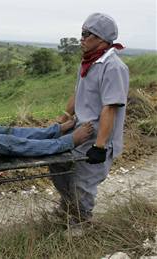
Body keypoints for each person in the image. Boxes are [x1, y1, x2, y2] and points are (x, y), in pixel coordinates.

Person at [50, 13, 129, 230]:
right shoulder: (88, 62)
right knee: (57, 165)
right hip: (79, 131)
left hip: (98, 137)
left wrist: (100, 146)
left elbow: (110, 107)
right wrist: (63, 119)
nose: (82, 38)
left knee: (83, 182)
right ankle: (68, 208)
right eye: (81, 33)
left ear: (102, 38)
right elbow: (78, 94)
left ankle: (81, 223)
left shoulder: (113, 67)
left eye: (87, 34)